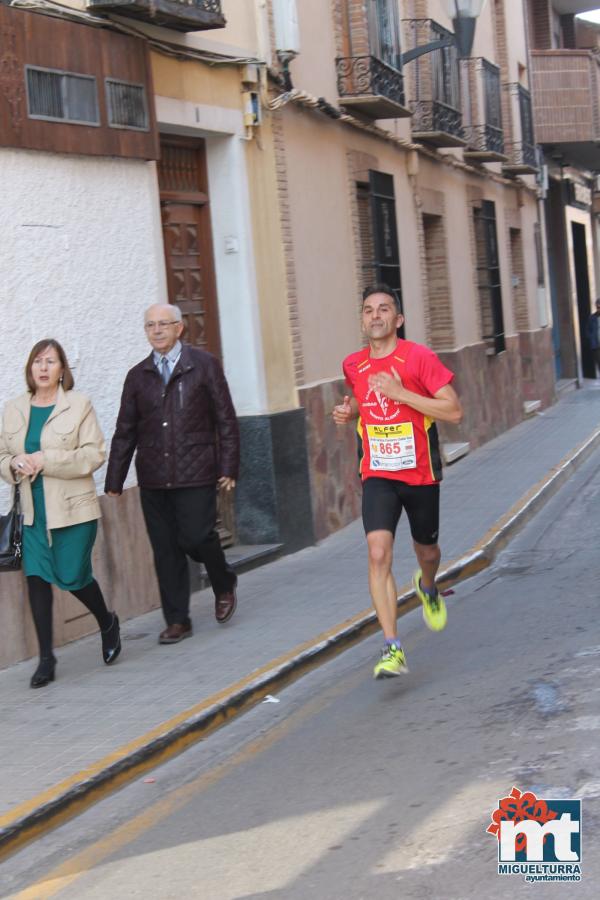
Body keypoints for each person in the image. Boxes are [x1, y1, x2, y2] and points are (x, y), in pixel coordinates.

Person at [333, 285, 462, 679]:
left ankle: (427, 586)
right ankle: (393, 647)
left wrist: (401, 392)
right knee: (377, 553)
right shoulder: (353, 364)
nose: (375, 315)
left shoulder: (418, 358)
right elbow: (359, 396)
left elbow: (453, 411)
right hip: (377, 473)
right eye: (368, 310)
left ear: (398, 320)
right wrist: (348, 409)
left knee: (428, 550)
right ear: (362, 319)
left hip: (420, 473)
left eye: (384, 309)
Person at [105, 304, 240, 644]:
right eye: (150, 325)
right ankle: (178, 620)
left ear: (179, 328)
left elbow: (226, 418)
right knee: (165, 549)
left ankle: (223, 582)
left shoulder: (204, 365)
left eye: (163, 324)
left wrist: (228, 466)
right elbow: (125, 430)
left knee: (197, 536)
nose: (157, 330)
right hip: (153, 476)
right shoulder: (137, 376)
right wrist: (114, 479)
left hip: (196, 471)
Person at [0, 340, 121, 688]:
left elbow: (93, 454)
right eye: (37, 361)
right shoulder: (14, 408)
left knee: (72, 576)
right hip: (32, 512)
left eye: (50, 361)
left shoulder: (79, 405)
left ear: (62, 370)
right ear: (29, 368)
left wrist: (45, 460)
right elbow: (3, 455)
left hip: (73, 511)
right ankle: (46, 658)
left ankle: (107, 621)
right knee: (36, 579)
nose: (43, 367)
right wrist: (14, 462)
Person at [586, 299, 600, 378]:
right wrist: (591, 337)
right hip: (596, 346)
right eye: (598, 307)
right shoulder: (592, 318)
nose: (599, 309)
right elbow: (587, 330)